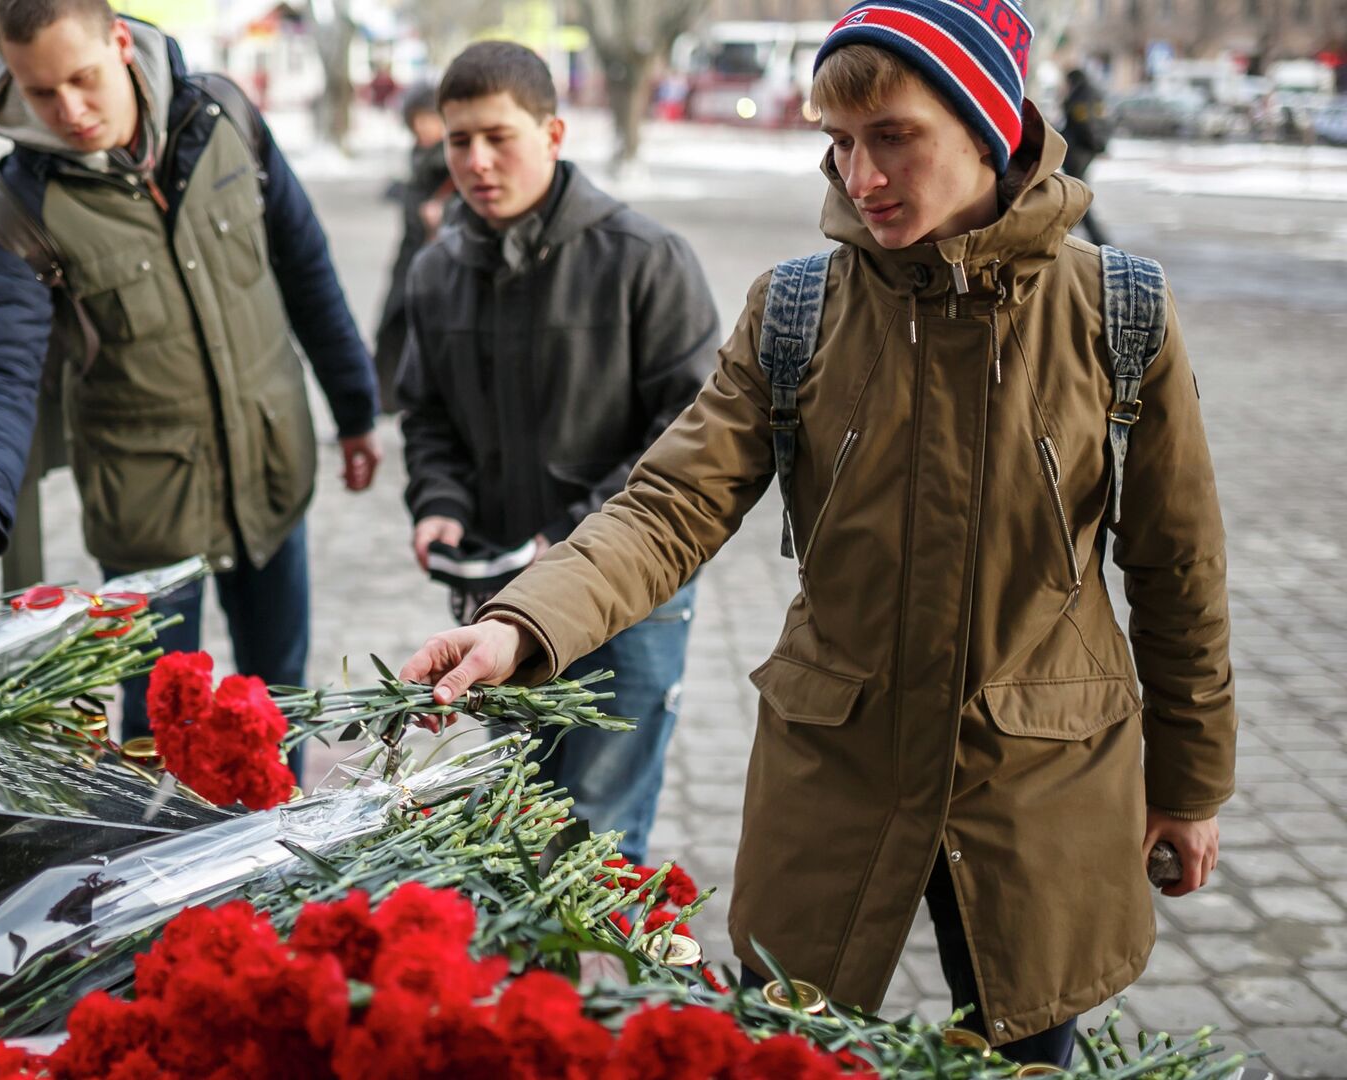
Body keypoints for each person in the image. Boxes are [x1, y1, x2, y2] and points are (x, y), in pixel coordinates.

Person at [400, 0, 1233, 1067]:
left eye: (893, 137)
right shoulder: (794, 312)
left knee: (1025, 1049)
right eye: (838, 144)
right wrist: (521, 625)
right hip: (835, 770)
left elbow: (1179, 564)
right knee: (791, 1048)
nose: (860, 177)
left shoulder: (1118, 314)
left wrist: (1190, 781)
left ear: (987, 127)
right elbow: (670, 506)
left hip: (1042, 780)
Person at [0, 0, 382, 759]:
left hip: (270, 470)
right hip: (146, 513)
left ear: (121, 41)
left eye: (83, 79)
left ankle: (286, 857)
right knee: (161, 727)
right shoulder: (21, 203)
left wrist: (355, 408)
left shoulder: (225, 117)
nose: (68, 110)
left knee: (280, 695)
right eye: (40, 92)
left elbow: (306, 264)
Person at [397, 42, 719, 865]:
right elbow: (426, 415)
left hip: (631, 600)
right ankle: (535, 993)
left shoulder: (646, 260)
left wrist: (572, 537)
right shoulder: (435, 271)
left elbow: (688, 435)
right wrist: (439, 503)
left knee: (600, 842)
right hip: (502, 602)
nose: (475, 160)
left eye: (498, 137)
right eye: (458, 140)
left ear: (554, 131)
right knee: (521, 825)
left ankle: (607, 995)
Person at [371, 85, 451, 414]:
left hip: (433, 249)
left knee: (424, 325)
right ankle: (384, 395)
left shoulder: (449, 153)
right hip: (411, 246)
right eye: (418, 120)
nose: (424, 127)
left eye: (430, 120)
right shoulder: (421, 150)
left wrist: (440, 210)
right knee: (393, 321)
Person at [1060, 67, 1111, 245]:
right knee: (1077, 193)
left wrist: (1093, 144)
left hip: (1079, 152)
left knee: (1079, 195)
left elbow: (1084, 123)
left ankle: (1097, 239)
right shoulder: (1091, 93)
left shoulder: (1082, 95)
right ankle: (1067, 234)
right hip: (1083, 150)